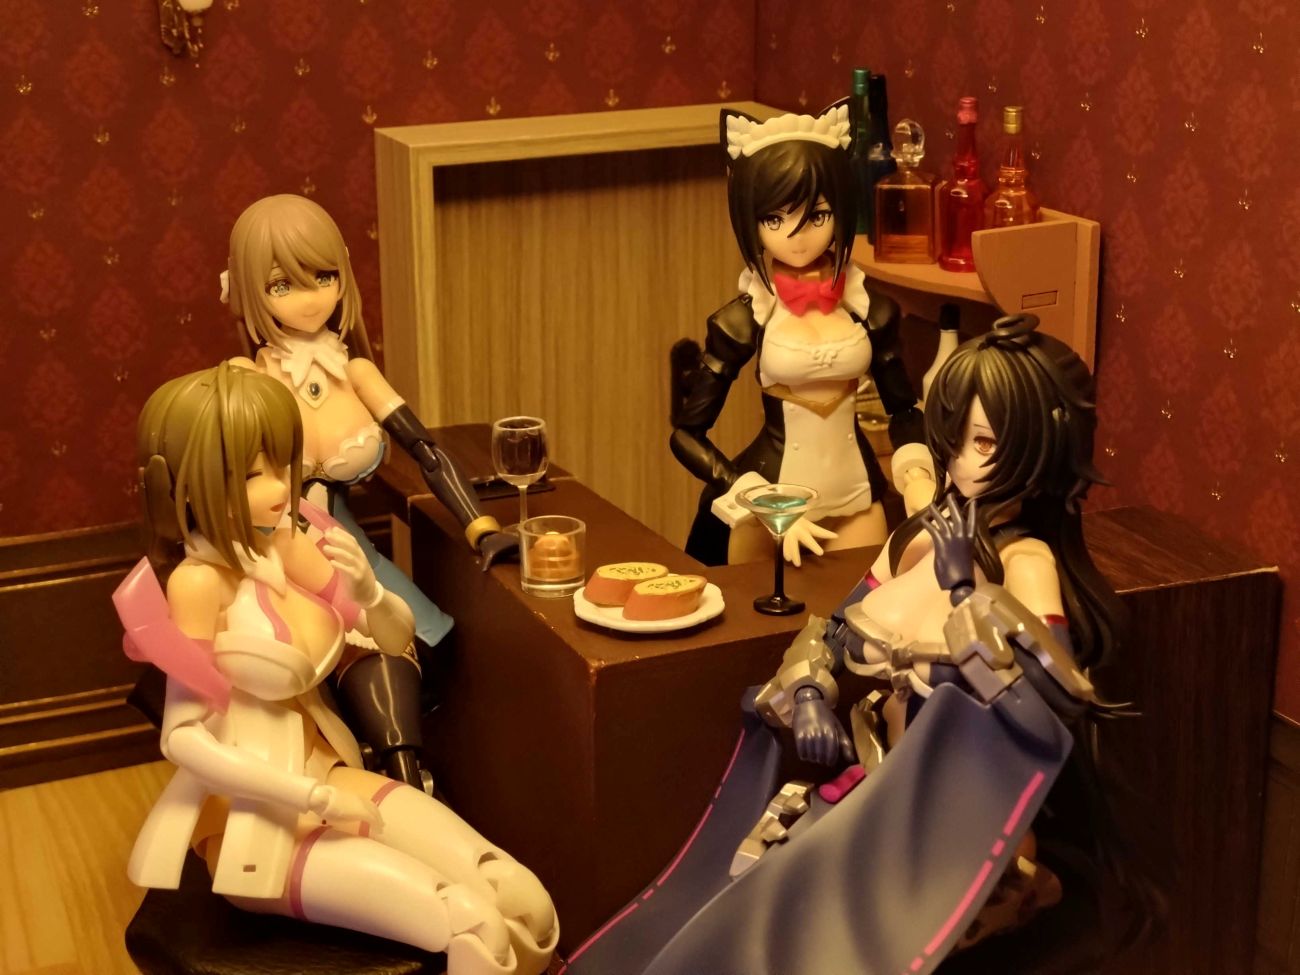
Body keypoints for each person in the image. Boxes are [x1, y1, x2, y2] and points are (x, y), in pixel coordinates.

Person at [568, 317, 1152, 975]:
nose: (961, 460)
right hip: (872, 783)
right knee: (733, 897)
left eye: (985, 442)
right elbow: (831, 630)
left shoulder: (1027, 563)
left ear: (1041, 448)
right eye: (955, 437)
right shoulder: (915, 539)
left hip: (960, 817)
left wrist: (966, 594)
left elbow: (1051, 703)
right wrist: (809, 695)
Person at [114, 363, 557, 974]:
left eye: (281, 464)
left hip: (331, 773)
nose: (279, 486)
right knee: (471, 921)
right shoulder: (198, 583)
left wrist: (371, 594)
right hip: (255, 825)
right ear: (187, 485)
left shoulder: (285, 542)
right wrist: (310, 795)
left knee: (520, 898)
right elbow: (182, 738)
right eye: (252, 474)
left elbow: (390, 638)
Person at [224, 194, 513, 788]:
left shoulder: (354, 371)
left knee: (432, 641)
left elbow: (426, 450)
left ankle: (403, 775)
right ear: (251, 291)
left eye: (323, 276)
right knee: (336, 665)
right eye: (281, 284)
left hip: (348, 546)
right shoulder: (248, 378)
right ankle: (382, 779)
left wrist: (480, 525)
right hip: (280, 559)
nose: (310, 297)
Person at [670, 103, 929, 567]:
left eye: (816, 215)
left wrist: (916, 473)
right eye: (774, 219)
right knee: (758, 609)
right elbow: (687, 435)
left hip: (856, 499)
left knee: (858, 604)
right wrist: (755, 496)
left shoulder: (872, 310)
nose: (797, 235)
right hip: (769, 507)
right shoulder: (743, 320)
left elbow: (904, 411)